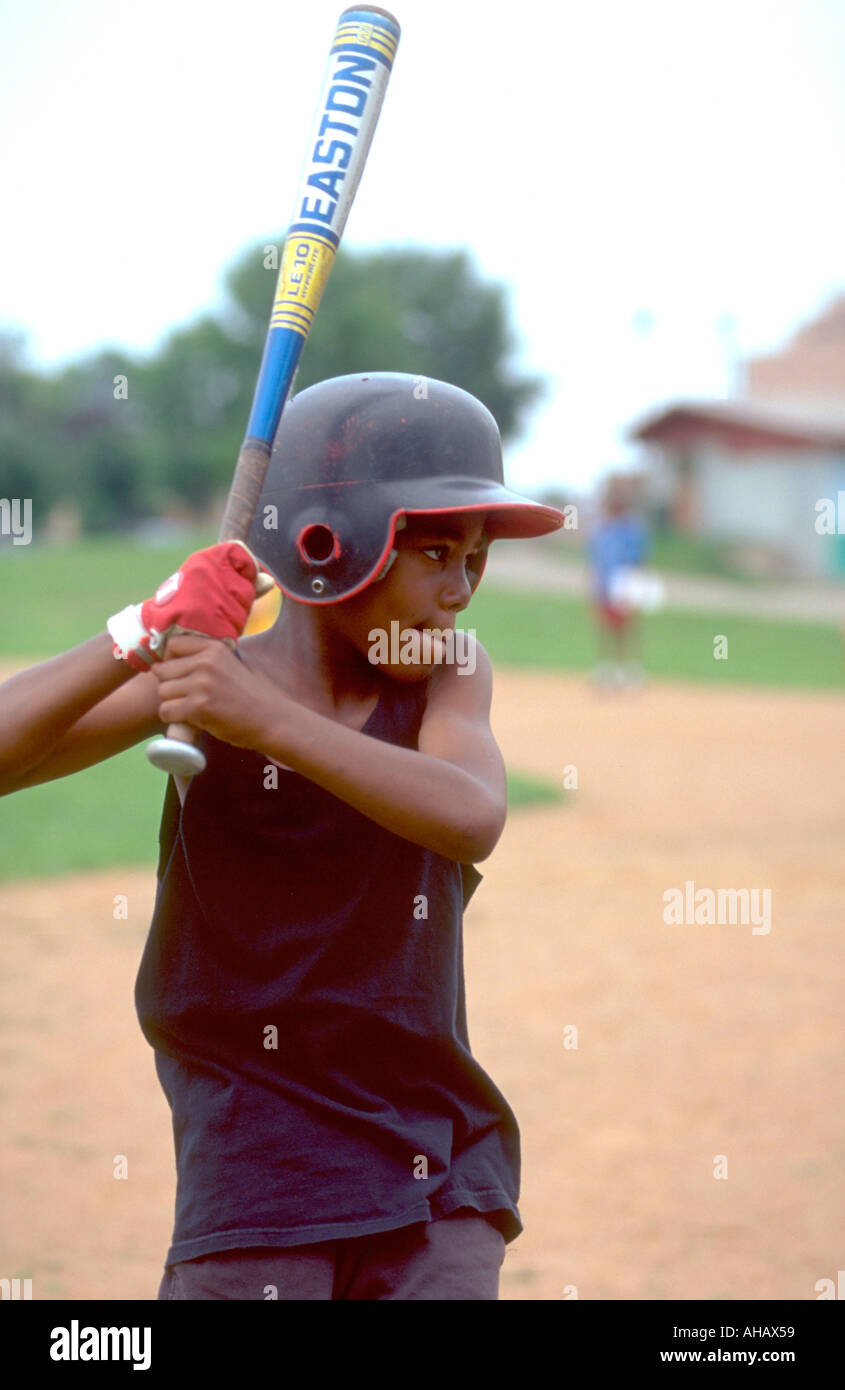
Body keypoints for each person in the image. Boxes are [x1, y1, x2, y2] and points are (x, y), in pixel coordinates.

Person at [0, 373, 564, 1301]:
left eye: (474, 558)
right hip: (257, 1156)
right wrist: (140, 631)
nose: (461, 592)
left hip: (436, 1149)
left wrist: (263, 723)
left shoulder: (445, 675)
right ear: (323, 546)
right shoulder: (204, 676)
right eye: (434, 552)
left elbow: (472, 815)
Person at [587, 474, 652, 690]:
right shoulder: (602, 529)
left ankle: (630, 671)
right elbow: (596, 561)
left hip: (624, 584)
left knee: (627, 629)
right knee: (605, 628)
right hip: (605, 586)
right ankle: (607, 670)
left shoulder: (631, 529)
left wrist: (633, 586)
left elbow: (638, 560)